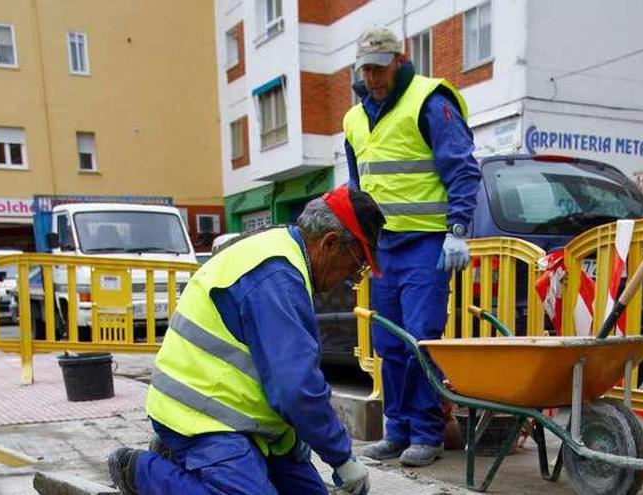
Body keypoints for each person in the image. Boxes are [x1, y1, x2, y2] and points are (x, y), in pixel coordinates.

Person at [107, 185, 384, 495]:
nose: (356, 278)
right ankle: (140, 470)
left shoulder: (285, 257)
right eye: (357, 264)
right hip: (200, 417)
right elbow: (295, 389)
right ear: (330, 243)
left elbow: (290, 382)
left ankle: (193, 463)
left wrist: (300, 440)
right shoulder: (276, 276)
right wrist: (342, 458)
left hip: (248, 423)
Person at [343, 26, 481, 467]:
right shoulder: (354, 119)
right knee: (389, 345)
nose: (374, 77)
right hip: (384, 249)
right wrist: (357, 240)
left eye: (380, 68)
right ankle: (396, 430)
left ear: (399, 61)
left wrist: (457, 230)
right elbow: (357, 188)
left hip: (426, 245)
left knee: (421, 340)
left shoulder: (428, 102)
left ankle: (427, 433)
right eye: (367, 69)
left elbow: (462, 169)